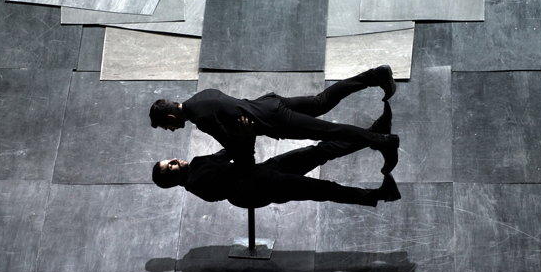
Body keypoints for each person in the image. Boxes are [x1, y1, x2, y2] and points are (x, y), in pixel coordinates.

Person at [149, 66, 400, 173]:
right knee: (321, 101)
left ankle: (384, 142)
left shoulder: (201, 118)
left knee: (330, 132)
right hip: (269, 103)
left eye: (166, 126)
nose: (171, 130)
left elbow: (234, 146)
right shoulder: (200, 97)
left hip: (275, 120)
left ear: (171, 116)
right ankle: (374, 75)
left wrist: (239, 148)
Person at [151, 103, 400, 209]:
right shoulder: (199, 183)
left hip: (264, 171)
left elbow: (226, 153)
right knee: (323, 189)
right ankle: (380, 195)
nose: (174, 161)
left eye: (170, 160)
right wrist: (247, 138)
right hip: (261, 187)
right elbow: (242, 168)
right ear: (172, 181)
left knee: (320, 150)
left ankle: (374, 134)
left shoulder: (196, 165)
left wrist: (237, 132)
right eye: (170, 167)